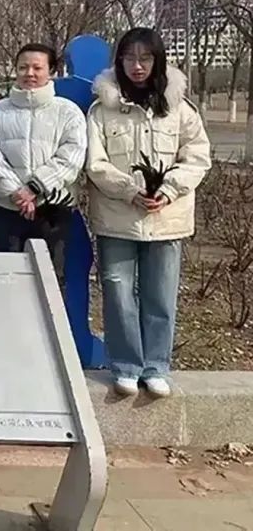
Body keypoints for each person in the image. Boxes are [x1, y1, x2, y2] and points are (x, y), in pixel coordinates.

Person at [86, 28, 211, 399]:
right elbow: (96, 163)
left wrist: (168, 190)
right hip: (117, 216)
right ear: (119, 61)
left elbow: (197, 157)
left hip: (166, 219)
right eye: (129, 58)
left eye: (145, 58)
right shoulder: (102, 110)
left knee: (160, 295)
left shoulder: (180, 109)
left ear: (158, 61)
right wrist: (129, 190)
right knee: (118, 292)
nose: (137, 66)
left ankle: (156, 367)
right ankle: (125, 366)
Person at [0, 43, 87, 278]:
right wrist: (17, 193)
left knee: (50, 282)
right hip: (9, 210)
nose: (29, 73)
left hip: (53, 210)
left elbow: (72, 157)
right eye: (23, 67)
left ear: (51, 71)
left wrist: (35, 188)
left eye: (37, 68)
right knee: (7, 280)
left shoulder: (67, 112)